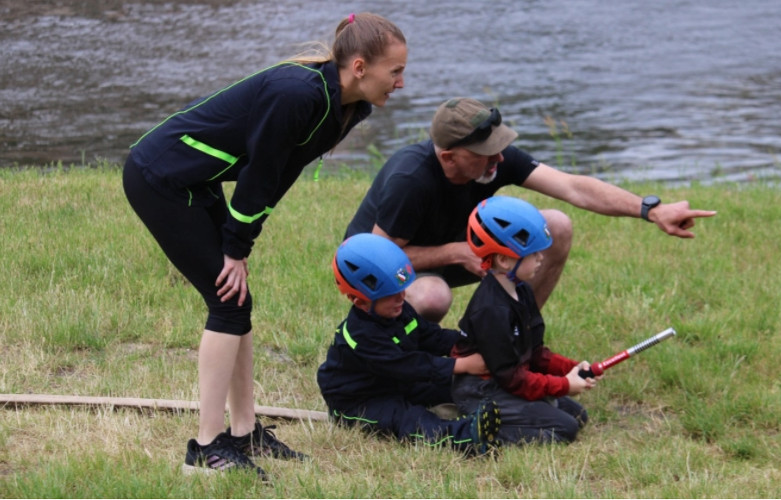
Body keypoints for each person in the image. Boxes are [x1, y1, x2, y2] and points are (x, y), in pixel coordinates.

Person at [122, 13, 408, 481]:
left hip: (196, 178)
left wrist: (241, 243)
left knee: (236, 302)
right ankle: (206, 449)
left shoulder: (348, 107)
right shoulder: (297, 95)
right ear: (359, 67)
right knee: (226, 301)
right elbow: (259, 173)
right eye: (394, 71)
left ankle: (245, 430)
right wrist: (235, 249)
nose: (400, 82)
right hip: (160, 178)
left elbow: (280, 173)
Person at [344, 97, 717, 323]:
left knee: (555, 227)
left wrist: (650, 210)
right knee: (433, 297)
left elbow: (573, 187)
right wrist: (458, 253)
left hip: (456, 252)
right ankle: (408, 364)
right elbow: (381, 259)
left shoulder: (491, 162)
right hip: (382, 271)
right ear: (448, 156)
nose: (500, 158)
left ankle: (513, 341)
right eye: (487, 152)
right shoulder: (411, 178)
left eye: (499, 147)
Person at [316, 233, 501, 456]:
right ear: (360, 301)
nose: (402, 297)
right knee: (408, 419)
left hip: (398, 383)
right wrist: (461, 365)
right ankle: (465, 437)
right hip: (360, 400)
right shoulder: (360, 336)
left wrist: (471, 344)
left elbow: (433, 337)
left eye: (401, 289)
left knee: (452, 386)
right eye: (391, 294)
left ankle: (503, 406)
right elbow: (407, 365)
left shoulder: (400, 310)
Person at [451, 195, 598, 444]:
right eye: (533, 254)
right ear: (505, 260)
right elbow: (512, 378)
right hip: (481, 390)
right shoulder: (491, 310)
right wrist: (562, 385)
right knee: (565, 429)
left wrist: (571, 368)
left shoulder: (522, 290)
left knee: (578, 415)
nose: (541, 258)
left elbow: (535, 353)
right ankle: (472, 428)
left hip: (509, 382)